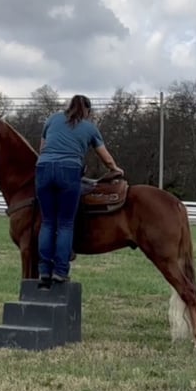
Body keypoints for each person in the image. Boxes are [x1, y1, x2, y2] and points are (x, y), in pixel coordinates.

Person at [35, 94, 122, 288]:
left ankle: (43, 272)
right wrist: (115, 169)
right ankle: (60, 272)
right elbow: (105, 158)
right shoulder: (89, 127)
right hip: (69, 170)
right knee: (65, 224)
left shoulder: (52, 119)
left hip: (44, 168)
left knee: (48, 222)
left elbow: (43, 148)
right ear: (88, 111)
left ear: (68, 107)